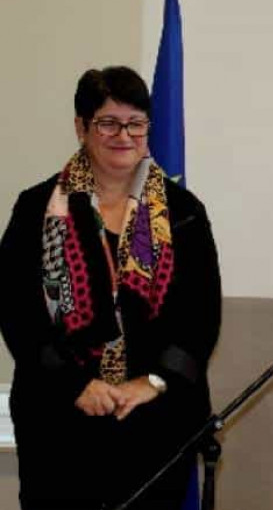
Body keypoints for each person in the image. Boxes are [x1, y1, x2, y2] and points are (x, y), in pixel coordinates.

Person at [0, 66, 222, 510]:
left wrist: (153, 382)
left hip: (157, 421)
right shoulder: (36, 208)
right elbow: (17, 312)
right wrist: (76, 384)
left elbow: (201, 316)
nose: (124, 135)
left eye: (136, 123)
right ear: (81, 127)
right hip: (60, 421)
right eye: (108, 123)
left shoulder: (183, 212)